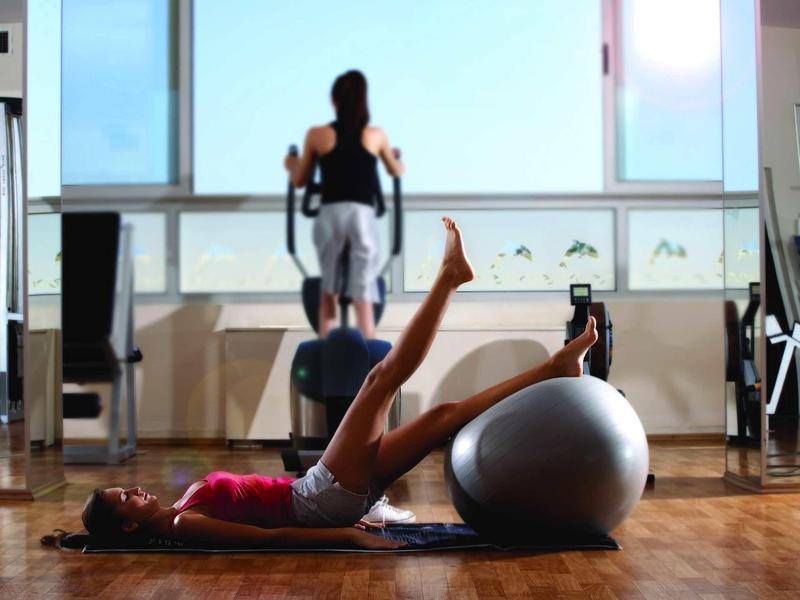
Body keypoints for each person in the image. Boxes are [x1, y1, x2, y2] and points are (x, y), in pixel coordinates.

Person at [81, 218, 598, 550]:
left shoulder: (182, 506)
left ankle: (553, 368)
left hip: (323, 493)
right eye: (126, 498)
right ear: (128, 525)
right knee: (381, 379)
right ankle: (449, 277)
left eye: (126, 488)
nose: (135, 489)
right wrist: (347, 538)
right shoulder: (183, 525)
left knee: (441, 416)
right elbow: (270, 540)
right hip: (318, 500)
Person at [284, 69, 404, 340]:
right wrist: (398, 160)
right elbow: (394, 170)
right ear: (364, 100)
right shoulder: (376, 136)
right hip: (362, 216)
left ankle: (326, 347)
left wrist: (291, 163)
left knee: (329, 290)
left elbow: (300, 180)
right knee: (363, 297)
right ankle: (369, 349)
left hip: (330, 216)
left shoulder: (317, 135)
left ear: (333, 100)